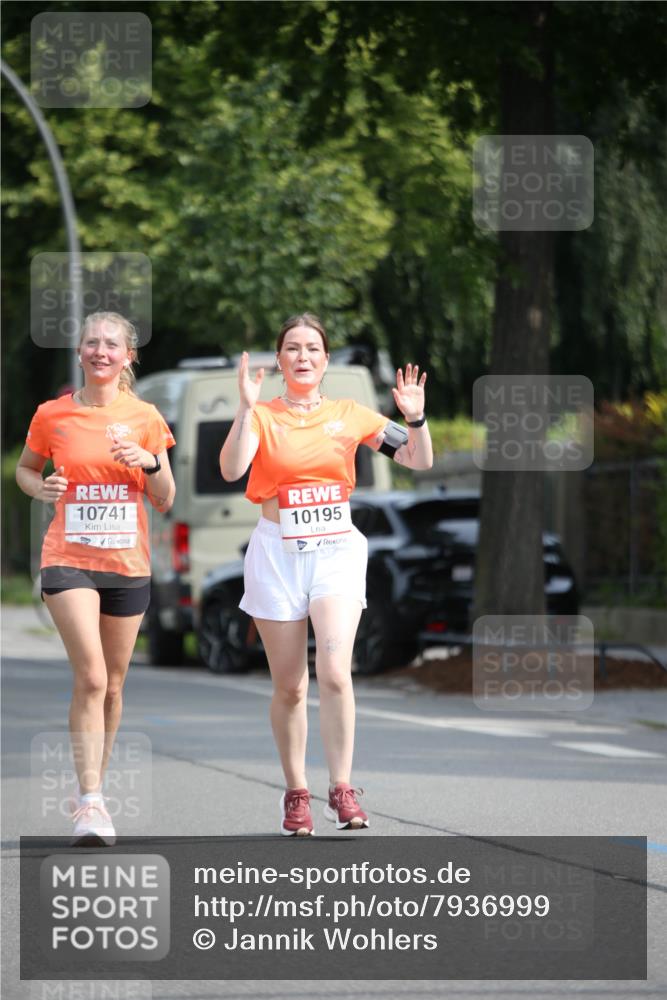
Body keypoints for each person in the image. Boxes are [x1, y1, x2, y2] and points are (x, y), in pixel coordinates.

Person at [219, 312, 433, 836]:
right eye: (292, 348)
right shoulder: (264, 415)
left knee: (336, 673)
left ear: (326, 359)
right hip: (276, 554)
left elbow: (416, 458)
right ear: (279, 359)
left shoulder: (350, 413)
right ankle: (296, 793)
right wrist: (245, 409)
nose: (302, 357)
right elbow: (231, 469)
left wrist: (416, 418)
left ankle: (342, 787)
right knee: (290, 687)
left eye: (312, 348)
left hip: (336, 549)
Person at [16, 311, 176, 846]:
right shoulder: (52, 415)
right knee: (91, 676)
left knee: (114, 685)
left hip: (127, 565)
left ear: (128, 356)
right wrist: (38, 489)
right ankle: (89, 803)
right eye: (91, 343)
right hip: (68, 559)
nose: (100, 351)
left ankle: (95, 788)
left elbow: (165, 498)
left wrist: (150, 462)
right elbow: (25, 469)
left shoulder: (146, 416)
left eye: (111, 344)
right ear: (80, 353)